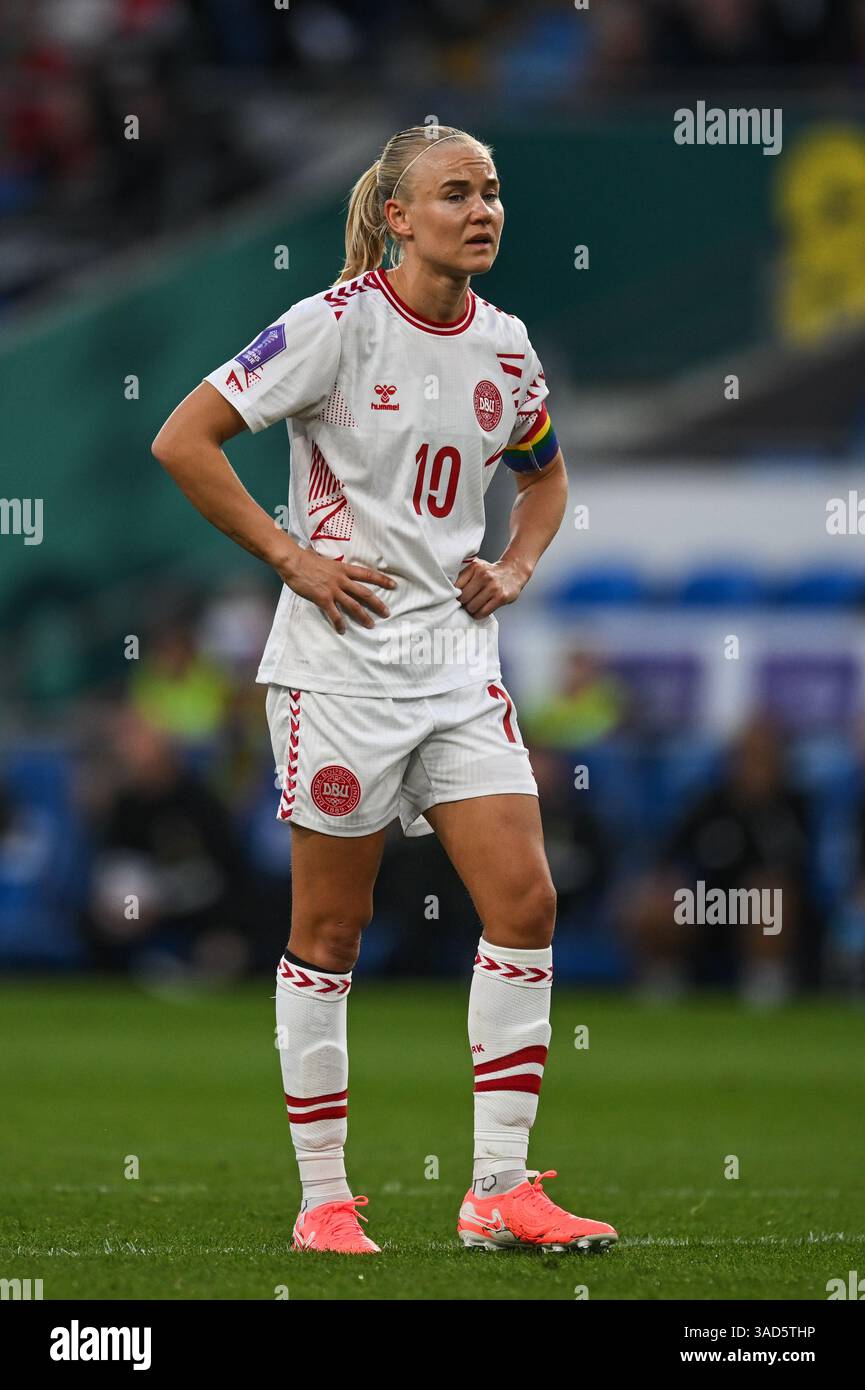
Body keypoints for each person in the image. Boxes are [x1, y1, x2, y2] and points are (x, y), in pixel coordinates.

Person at [152, 124, 618, 1255]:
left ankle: (497, 1190)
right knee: (330, 926)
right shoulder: (334, 323)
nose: (483, 209)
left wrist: (512, 564)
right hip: (339, 667)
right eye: (455, 193)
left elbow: (546, 482)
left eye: (493, 192)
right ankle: (323, 1201)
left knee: (527, 903)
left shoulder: (508, 348)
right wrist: (292, 557)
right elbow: (186, 436)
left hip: (457, 666)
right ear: (399, 217)